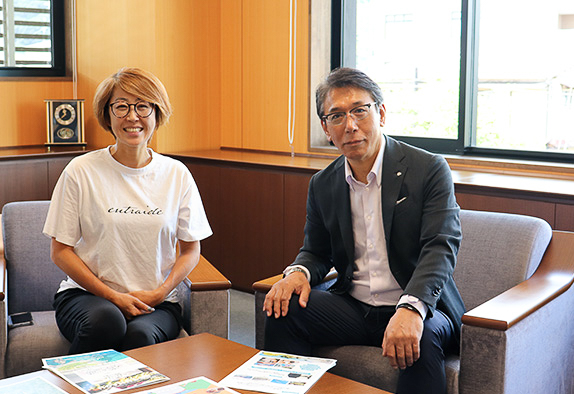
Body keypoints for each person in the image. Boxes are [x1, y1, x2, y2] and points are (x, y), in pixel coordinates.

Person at [262, 67, 465, 394]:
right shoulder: (323, 184)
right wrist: (298, 273)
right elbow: (316, 251)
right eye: (337, 116)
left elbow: (440, 247)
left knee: (420, 337)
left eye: (360, 110)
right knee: (283, 312)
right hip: (354, 307)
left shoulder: (428, 169)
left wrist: (411, 307)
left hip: (420, 306)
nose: (351, 125)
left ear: (381, 113)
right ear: (326, 128)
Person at [43, 67, 212, 354]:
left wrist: (160, 293)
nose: (132, 117)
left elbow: (190, 249)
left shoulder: (176, 174)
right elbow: (60, 251)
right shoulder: (80, 171)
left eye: (143, 106)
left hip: (157, 302)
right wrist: (113, 297)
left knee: (141, 337)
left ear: (157, 114)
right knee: (107, 323)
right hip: (88, 297)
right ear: (107, 114)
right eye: (121, 107)